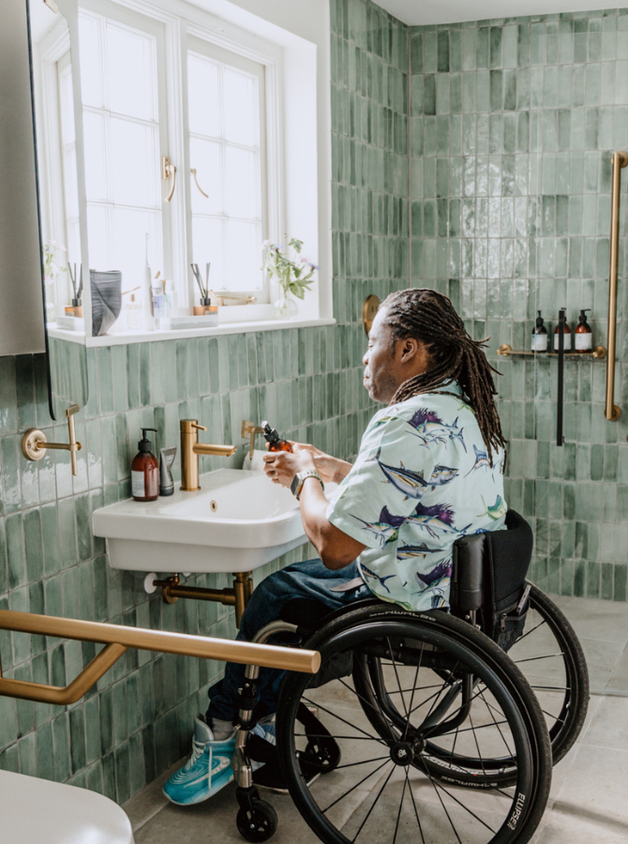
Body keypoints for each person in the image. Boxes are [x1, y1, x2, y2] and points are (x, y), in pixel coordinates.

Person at [162, 287, 509, 805]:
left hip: (410, 596)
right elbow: (413, 491)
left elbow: (335, 547)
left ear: (407, 349)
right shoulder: (460, 405)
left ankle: (222, 730)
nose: (365, 358)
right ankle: (264, 722)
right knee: (299, 592)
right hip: (458, 586)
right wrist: (328, 466)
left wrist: (305, 480)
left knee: (277, 595)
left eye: (374, 343)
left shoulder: (403, 421)